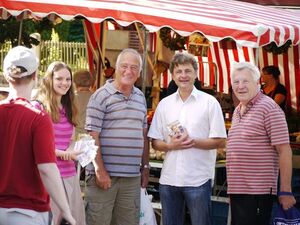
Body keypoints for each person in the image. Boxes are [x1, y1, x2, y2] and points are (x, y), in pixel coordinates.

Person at [148, 52, 227, 225]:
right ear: (173, 76)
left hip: (198, 179)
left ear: (196, 73)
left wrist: (193, 142)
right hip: (169, 178)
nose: (183, 76)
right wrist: (171, 146)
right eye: (179, 72)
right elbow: (154, 141)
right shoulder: (164, 104)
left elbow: (220, 140)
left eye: (187, 71)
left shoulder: (209, 102)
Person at [0, 46, 75, 225]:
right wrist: (66, 211)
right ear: (35, 76)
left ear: (6, 76)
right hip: (27, 212)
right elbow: (47, 169)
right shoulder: (38, 117)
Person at [85, 48, 149, 225]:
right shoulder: (100, 96)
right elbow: (91, 137)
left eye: (134, 67)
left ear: (139, 72)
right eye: (124, 66)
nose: (129, 71)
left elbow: (143, 135)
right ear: (116, 68)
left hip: (131, 178)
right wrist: (99, 170)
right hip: (105, 177)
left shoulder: (141, 98)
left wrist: (145, 167)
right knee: (98, 221)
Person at [226, 62, 296, 225]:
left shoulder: (269, 107)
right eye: (236, 82)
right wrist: (233, 191)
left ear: (257, 82)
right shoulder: (238, 110)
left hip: (258, 192)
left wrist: (286, 191)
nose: (240, 86)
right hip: (239, 192)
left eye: (246, 81)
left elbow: (284, 150)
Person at [34, 61, 85, 225]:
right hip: (48, 178)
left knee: (74, 220)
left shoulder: (69, 106)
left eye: (68, 79)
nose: (64, 83)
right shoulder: (39, 107)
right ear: (50, 79)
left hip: (69, 175)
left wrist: (74, 150)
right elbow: (38, 145)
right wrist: (64, 154)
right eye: (59, 79)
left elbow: (70, 140)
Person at [73, 69, 94, 138]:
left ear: (75, 82)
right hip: (91, 134)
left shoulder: (72, 97)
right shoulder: (95, 97)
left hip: (75, 134)